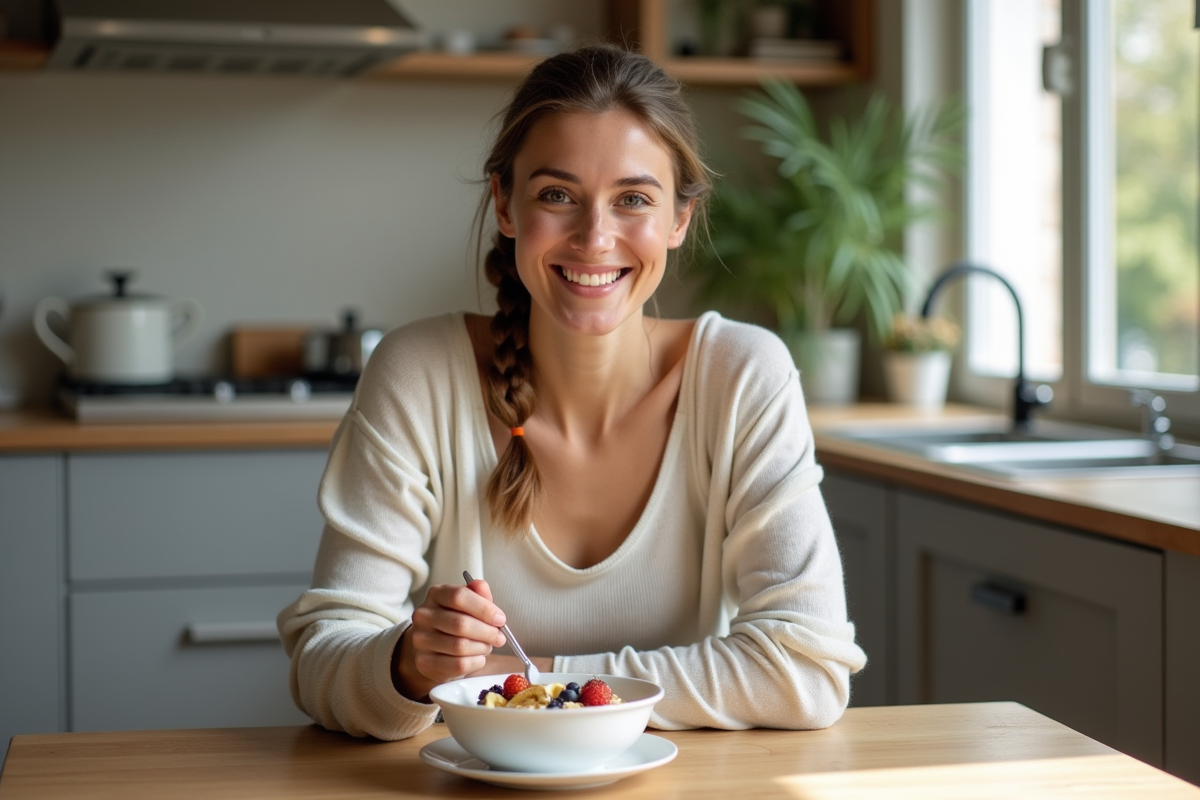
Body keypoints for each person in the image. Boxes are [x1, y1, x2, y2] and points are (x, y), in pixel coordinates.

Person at [277, 43, 866, 741]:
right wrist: (405, 667)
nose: (594, 237)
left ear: (678, 219)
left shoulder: (741, 375)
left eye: (633, 200)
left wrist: (526, 681)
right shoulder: (418, 371)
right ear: (504, 203)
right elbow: (322, 656)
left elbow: (805, 670)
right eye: (557, 195)